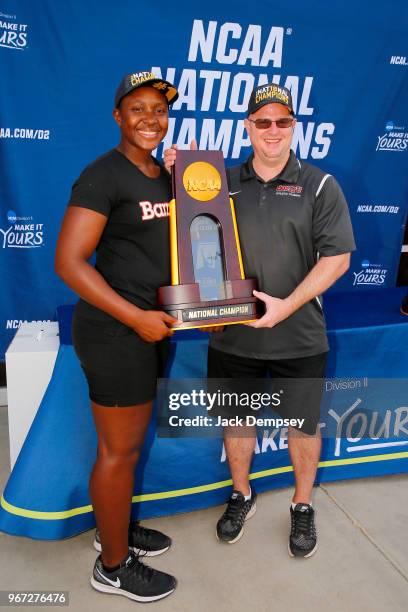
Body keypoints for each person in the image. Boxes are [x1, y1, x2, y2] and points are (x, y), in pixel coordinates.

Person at [164, 83, 355, 558]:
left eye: (282, 121)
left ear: (294, 126)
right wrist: (173, 173)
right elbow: (187, 233)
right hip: (232, 336)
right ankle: (241, 493)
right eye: (262, 121)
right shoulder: (218, 181)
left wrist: (285, 307)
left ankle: (303, 504)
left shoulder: (320, 185)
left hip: (300, 336)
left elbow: (338, 259)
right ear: (248, 127)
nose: (273, 130)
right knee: (236, 421)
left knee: (304, 427)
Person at [55, 71, 179, 602]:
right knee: (117, 451)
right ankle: (111, 565)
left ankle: (117, 530)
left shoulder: (161, 173)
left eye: (159, 109)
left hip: (154, 326)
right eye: (138, 109)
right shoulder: (101, 175)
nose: (150, 118)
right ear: (117, 116)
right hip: (116, 331)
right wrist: (133, 318)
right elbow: (68, 262)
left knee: (127, 447)